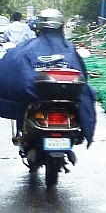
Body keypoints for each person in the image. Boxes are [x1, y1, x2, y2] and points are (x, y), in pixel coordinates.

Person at [0, 8, 97, 145]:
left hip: (35, 95)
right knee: (87, 94)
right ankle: (80, 133)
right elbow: (82, 76)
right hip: (67, 95)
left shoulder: (24, 49)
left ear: (38, 27)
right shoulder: (69, 48)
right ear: (61, 26)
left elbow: (11, 70)